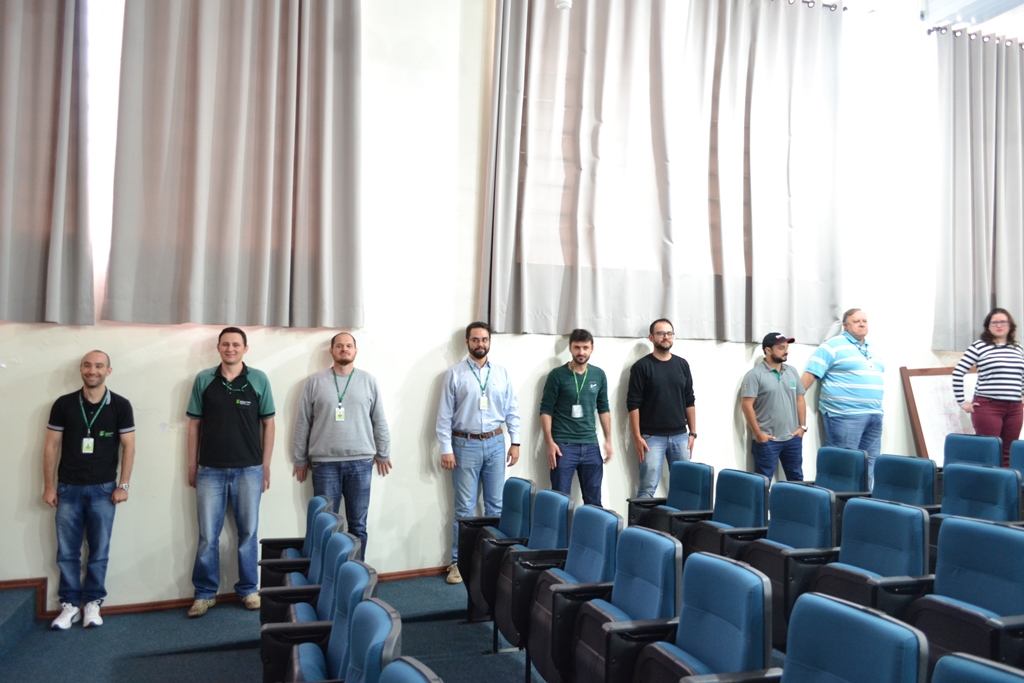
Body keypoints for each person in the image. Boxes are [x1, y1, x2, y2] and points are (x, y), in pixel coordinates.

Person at [185, 327, 275, 617]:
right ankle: (204, 594)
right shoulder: (204, 380)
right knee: (207, 536)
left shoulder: (259, 379)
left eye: (236, 344)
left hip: (249, 470)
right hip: (209, 470)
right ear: (218, 348)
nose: (231, 348)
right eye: (226, 344)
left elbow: (269, 424)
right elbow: (194, 425)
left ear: (245, 349)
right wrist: (191, 465)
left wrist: (265, 465)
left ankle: (248, 589)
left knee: (248, 533)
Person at [43, 351, 136, 630]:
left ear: (108, 370)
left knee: (99, 551)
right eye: (87, 365)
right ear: (81, 369)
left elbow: (129, 446)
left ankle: (93, 602)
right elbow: (51, 446)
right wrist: (49, 486)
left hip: (104, 490)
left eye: (98, 366)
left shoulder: (120, 405)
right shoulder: (64, 404)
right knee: (67, 552)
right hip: (68, 488)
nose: (92, 370)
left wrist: (123, 485)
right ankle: (70, 604)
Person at [292, 332, 392, 559]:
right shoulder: (315, 381)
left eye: (348, 345)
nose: (344, 349)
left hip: (361, 462)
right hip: (324, 464)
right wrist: (299, 458)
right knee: (326, 526)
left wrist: (383, 453)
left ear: (355, 351)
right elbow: (303, 421)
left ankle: (357, 572)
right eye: (339, 346)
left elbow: (379, 420)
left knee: (358, 525)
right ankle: (329, 575)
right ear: (332, 351)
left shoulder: (368, 381)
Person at [436, 322, 521, 584]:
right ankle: (458, 563)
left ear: (489, 342)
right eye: (475, 340)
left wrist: (516, 442)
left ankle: (494, 561)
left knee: (496, 505)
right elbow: (444, 416)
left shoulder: (502, 373)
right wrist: (446, 448)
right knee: (465, 508)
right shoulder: (454, 374)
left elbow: (512, 409)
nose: (480, 344)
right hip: (465, 445)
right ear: (467, 342)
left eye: (484, 339)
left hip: (496, 443)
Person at [802, 308, 884, 484]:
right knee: (843, 466)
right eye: (856, 321)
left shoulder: (873, 349)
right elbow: (809, 376)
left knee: (870, 465)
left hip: (874, 415)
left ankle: (863, 499)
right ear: (845, 326)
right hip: (844, 416)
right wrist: (794, 405)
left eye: (864, 321)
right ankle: (840, 501)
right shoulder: (832, 346)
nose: (862, 324)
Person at [539, 329, 613, 506]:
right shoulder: (557, 375)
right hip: (563, 446)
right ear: (570, 348)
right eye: (577, 347)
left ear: (592, 348)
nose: (581, 352)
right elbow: (546, 410)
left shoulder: (598, 375)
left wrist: (608, 440)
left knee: (594, 502)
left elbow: (604, 408)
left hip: (591, 445)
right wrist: (549, 442)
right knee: (561, 502)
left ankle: (592, 527)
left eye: (585, 347)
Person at [626, 318, 697, 498]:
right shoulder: (641, 367)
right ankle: (642, 519)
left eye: (669, 333)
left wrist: (693, 432)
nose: (666, 337)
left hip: (680, 436)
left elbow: (689, 400)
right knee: (647, 488)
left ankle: (680, 518)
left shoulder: (682, 365)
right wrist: (637, 437)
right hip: (651, 438)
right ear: (651, 337)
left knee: (685, 488)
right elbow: (633, 404)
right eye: (660, 333)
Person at [952, 307, 1024, 467]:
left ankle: (1006, 483)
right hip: (988, 407)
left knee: (1010, 453)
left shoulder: (1017, 348)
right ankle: (988, 483)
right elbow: (958, 373)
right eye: (994, 322)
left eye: (1003, 322)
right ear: (988, 326)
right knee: (989, 452)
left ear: (1010, 325)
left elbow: (1022, 373)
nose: (999, 325)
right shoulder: (979, 346)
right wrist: (962, 402)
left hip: (1015, 408)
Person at [741, 333, 807, 482]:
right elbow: (746, 405)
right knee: (763, 482)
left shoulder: (792, 371)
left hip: (792, 438)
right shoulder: (754, 375)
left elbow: (800, 398)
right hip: (767, 440)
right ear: (768, 350)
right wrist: (758, 434)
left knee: (797, 479)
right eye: (781, 348)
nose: (786, 351)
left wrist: (802, 427)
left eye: (787, 347)